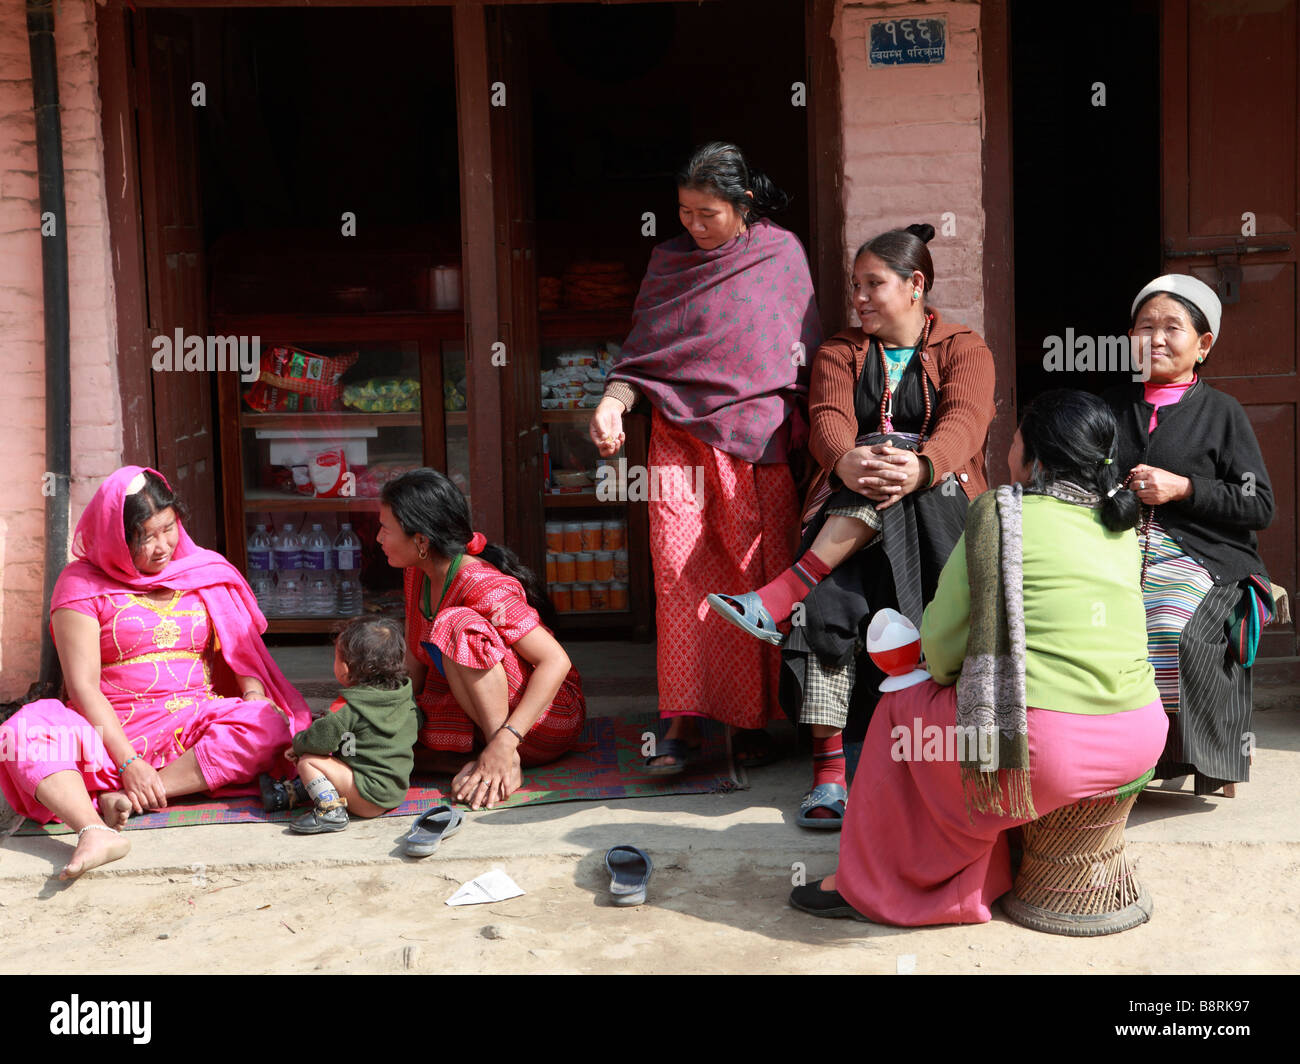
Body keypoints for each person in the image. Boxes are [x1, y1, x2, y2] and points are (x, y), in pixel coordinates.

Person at [789, 390, 1168, 925]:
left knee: (899, 713)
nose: (1008, 453)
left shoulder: (999, 510)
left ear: (1032, 457)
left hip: (1048, 751)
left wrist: (934, 676)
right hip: (1141, 736)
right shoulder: (1121, 525)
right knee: (979, 709)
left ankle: (870, 882)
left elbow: (943, 651)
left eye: (1012, 441)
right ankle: (978, 864)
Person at [708, 224, 995, 826]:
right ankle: (829, 779)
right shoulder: (840, 351)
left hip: (939, 502)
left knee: (879, 497)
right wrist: (845, 458)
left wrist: (919, 465)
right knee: (832, 603)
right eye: (854, 285)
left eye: (874, 284)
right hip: (852, 501)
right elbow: (825, 417)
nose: (859, 298)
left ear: (915, 286)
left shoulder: (964, 347)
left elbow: (967, 420)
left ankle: (783, 593)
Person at [589, 141, 821, 773]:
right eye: (684, 212)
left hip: (757, 444)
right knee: (679, 572)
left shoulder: (780, 255)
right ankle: (682, 722)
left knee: (752, 576)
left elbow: (800, 354)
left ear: (744, 205)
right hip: (677, 442)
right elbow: (641, 356)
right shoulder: (667, 264)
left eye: (707, 214)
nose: (692, 225)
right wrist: (613, 403)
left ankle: (755, 719)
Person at [0, 467, 311, 880]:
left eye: (168, 528)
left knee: (267, 722)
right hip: (108, 734)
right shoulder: (81, 585)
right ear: (116, 537)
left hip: (191, 727)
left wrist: (254, 696)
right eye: (144, 537)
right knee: (22, 731)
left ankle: (133, 796)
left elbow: (242, 652)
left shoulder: (203, 570)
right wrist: (128, 761)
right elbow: (83, 686)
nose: (162, 546)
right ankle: (92, 828)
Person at [1104, 275, 1275, 796]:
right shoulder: (1110, 407)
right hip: (1118, 549)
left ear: (1202, 345)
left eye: (1171, 328)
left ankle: (1200, 760)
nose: (1155, 339)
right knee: (1095, 625)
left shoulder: (1222, 413)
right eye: (1144, 327)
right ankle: (1120, 760)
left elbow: (1258, 504)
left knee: (1170, 621)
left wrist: (1184, 489)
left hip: (1205, 556)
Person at [379, 468, 585, 809]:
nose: (378, 538)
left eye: (385, 529)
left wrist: (505, 740)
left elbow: (556, 661)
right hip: (478, 710)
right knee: (379, 739)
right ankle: (468, 758)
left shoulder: (481, 582)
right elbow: (414, 663)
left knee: (457, 624)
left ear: (421, 541)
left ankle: (502, 758)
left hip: (543, 721)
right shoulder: (416, 574)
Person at [262, 617, 419, 833]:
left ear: (347, 668)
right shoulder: (403, 695)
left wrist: (299, 745)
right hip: (395, 791)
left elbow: (318, 739)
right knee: (338, 755)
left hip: (368, 796)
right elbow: (417, 724)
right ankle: (292, 793)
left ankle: (331, 812)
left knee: (309, 761)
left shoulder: (347, 706)